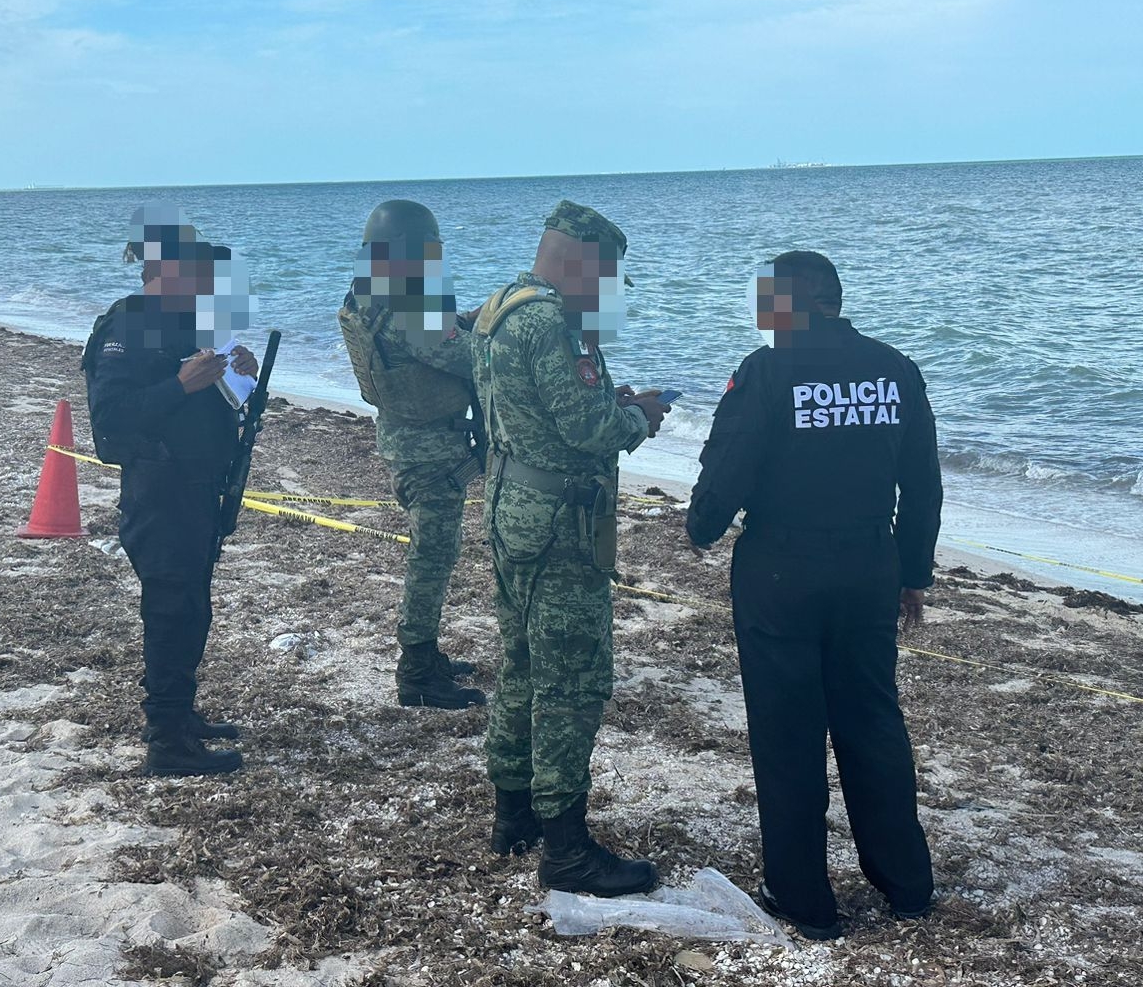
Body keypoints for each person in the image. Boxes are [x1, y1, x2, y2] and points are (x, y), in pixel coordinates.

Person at [686, 251, 942, 939]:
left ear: (793, 304)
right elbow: (922, 485)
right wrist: (912, 572)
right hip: (869, 566)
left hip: (782, 570)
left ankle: (802, 898)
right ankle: (908, 887)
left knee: (789, 732)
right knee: (873, 724)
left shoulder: (767, 371)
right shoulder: (895, 369)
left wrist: (701, 525)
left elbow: (725, 469)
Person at [471, 199, 671, 897]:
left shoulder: (500, 305)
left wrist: (617, 406)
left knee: (521, 663)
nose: (609, 292)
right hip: (560, 523)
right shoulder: (554, 321)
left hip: (511, 505)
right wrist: (639, 416)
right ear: (581, 262)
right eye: (607, 276)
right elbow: (589, 428)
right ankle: (566, 848)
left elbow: (536, 413)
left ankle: (514, 812)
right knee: (573, 681)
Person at [82, 209, 259, 777]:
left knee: (192, 609)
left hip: (201, 488)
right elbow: (110, 423)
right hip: (160, 491)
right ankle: (166, 741)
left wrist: (243, 377)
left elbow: (217, 402)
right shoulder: (127, 326)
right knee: (170, 608)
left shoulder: (191, 322)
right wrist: (179, 385)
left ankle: (180, 717)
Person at [337, 200, 486, 711]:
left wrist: (466, 319)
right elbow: (467, 356)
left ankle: (425, 655)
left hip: (405, 440)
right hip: (430, 452)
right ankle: (417, 669)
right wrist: (499, 327)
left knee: (432, 554)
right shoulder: (407, 303)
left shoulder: (368, 295)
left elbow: (431, 341)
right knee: (432, 558)